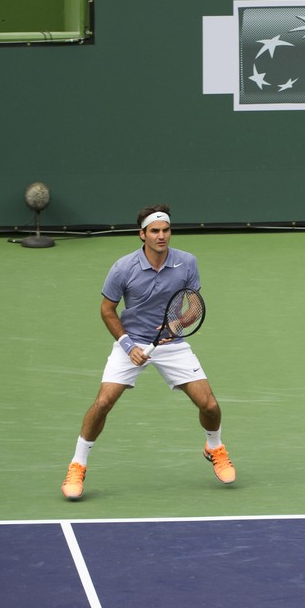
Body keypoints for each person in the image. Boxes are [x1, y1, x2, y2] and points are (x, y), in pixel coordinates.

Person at [60, 204, 237, 501]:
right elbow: (107, 311)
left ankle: (215, 448)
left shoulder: (187, 262)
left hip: (172, 344)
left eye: (166, 230)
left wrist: (177, 324)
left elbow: (194, 304)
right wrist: (128, 346)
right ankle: (78, 464)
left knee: (209, 405)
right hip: (131, 342)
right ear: (142, 234)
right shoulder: (122, 268)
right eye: (155, 231)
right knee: (103, 402)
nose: (161, 236)